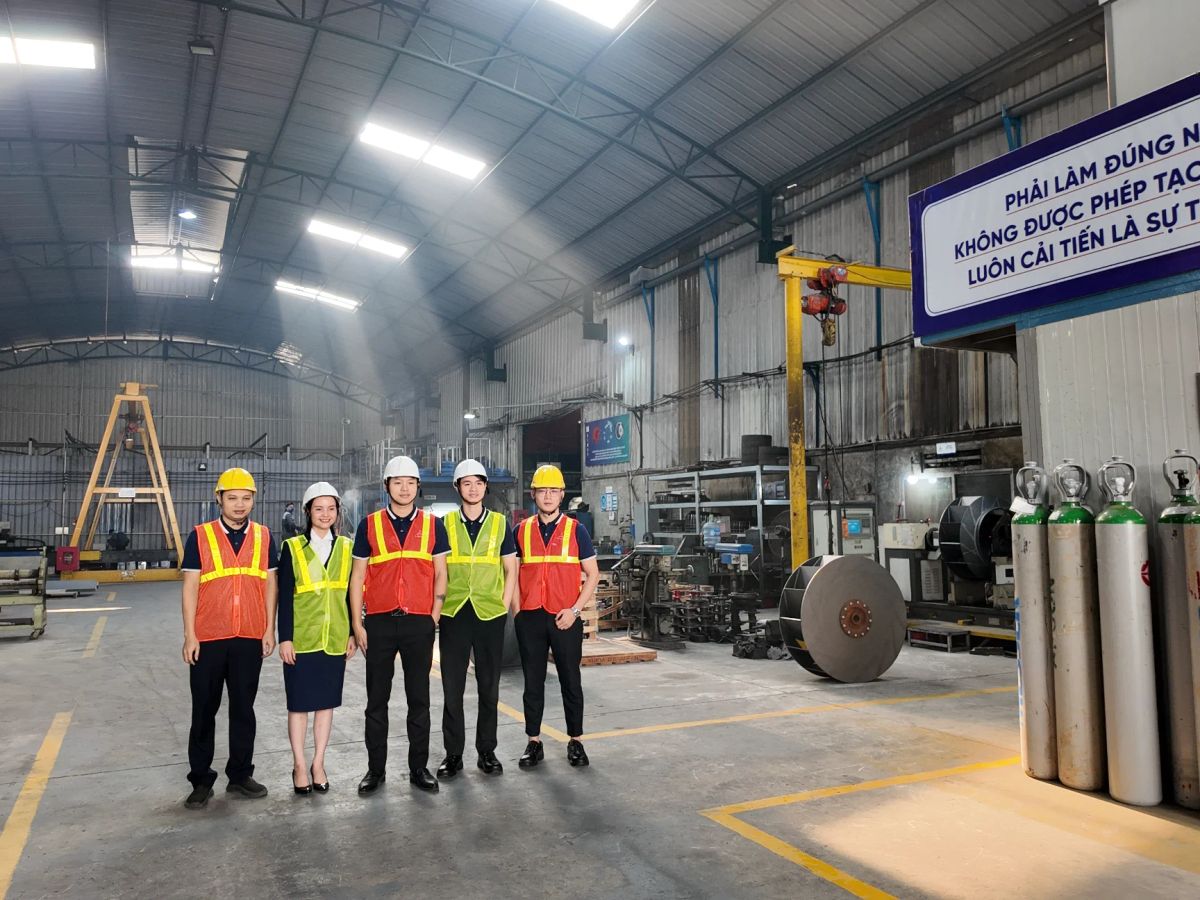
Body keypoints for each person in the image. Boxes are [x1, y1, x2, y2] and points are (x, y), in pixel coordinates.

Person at [348, 455, 450, 795]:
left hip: (418, 623)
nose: (404, 488)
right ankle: (375, 771)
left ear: (417, 487)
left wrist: (433, 615)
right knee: (376, 702)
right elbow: (358, 575)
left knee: (418, 699)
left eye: (410, 482)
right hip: (377, 623)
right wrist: (356, 623)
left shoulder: (434, 525)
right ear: (387, 486)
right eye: (397, 482)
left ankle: (418, 768)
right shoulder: (369, 525)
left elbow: (440, 573)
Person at [179, 467, 278, 810]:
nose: (239, 504)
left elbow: (270, 587)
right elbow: (190, 587)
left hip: (249, 637)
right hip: (208, 638)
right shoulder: (200, 536)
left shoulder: (265, 537)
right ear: (218, 498)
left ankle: (239, 775)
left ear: (254, 500)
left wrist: (269, 629)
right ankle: (201, 780)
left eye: (246, 498)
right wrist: (190, 635)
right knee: (204, 710)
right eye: (232, 498)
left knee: (243, 709)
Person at [436, 459, 519, 781]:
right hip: (455, 613)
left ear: (486, 487)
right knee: (452, 687)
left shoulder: (500, 524)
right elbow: (437, 570)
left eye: (478, 483)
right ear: (457, 488)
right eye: (466, 483)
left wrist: (503, 604)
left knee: (489, 686)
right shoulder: (443, 524)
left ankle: (487, 751)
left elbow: (511, 568)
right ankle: (453, 755)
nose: (473, 488)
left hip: (489, 614)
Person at [514, 464, 600, 770]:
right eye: (542, 491)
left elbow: (592, 574)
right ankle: (533, 742)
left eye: (553, 491)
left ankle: (575, 741)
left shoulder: (577, 530)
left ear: (562, 495)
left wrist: (575, 611)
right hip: (531, 617)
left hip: (565, 617)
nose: (548, 496)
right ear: (533, 494)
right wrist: (517, 611)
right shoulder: (520, 531)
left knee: (570, 681)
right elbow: (510, 574)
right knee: (532, 683)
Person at [278, 482, 356, 795]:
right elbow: (284, 596)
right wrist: (285, 638)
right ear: (308, 511)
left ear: (337, 512)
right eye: (318, 508)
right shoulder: (293, 547)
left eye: (331, 508)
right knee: (298, 706)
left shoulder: (347, 548)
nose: (325, 514)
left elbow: (351, 594)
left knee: (325, 706)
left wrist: (351, 632)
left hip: (334, 638)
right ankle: (299, 764)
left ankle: (318, 763)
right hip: (302, 640)